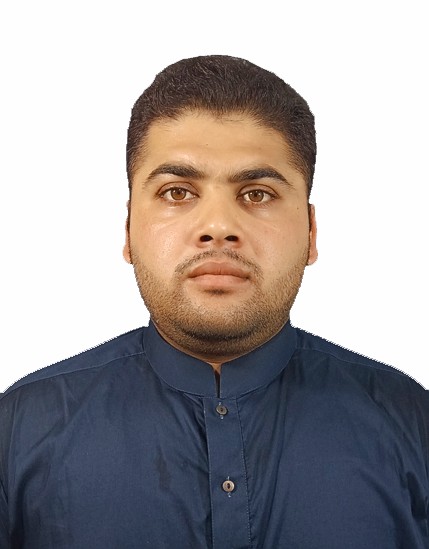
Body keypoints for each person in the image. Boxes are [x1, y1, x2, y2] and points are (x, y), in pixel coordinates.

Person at [0, 55, 428, 549]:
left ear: (311, 232)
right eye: (177, 192)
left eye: (257, 194)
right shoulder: (19, 430)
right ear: (129, 230)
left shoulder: (412, 424)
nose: (219, 226)